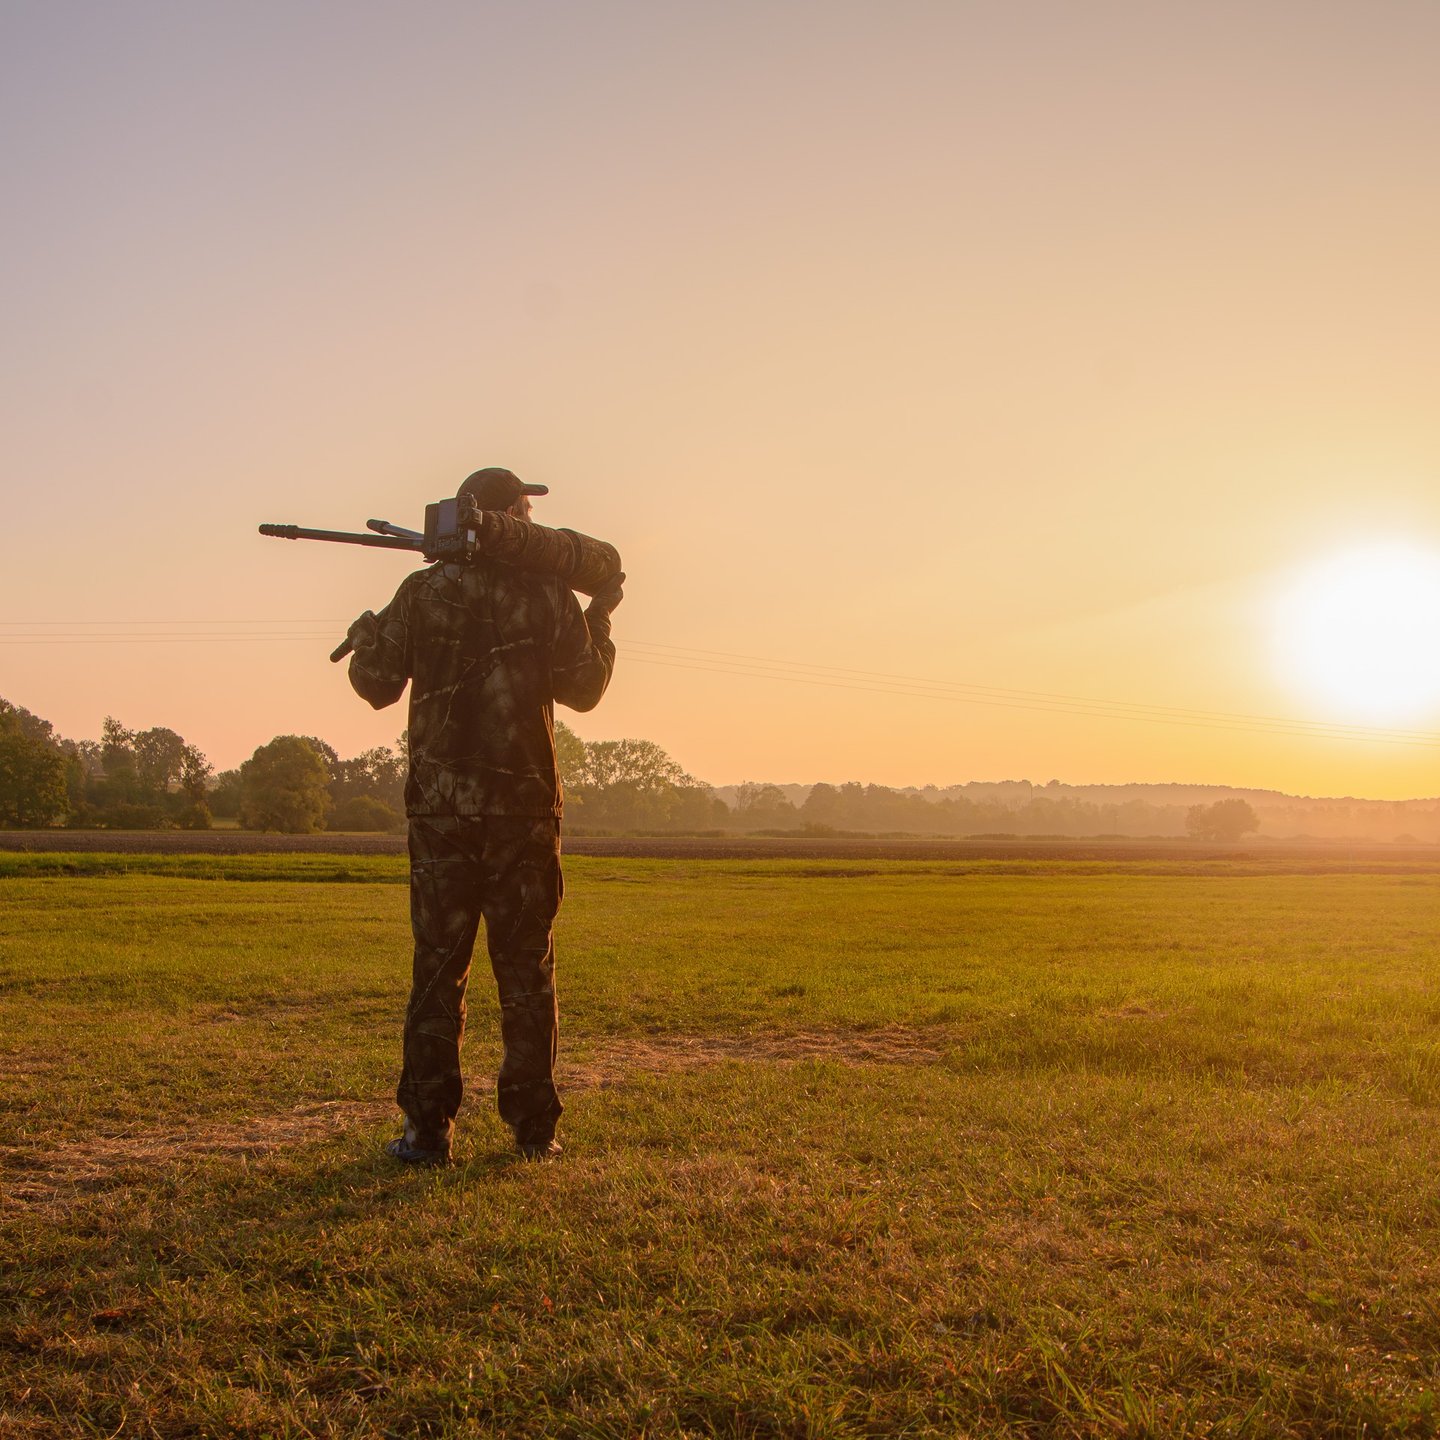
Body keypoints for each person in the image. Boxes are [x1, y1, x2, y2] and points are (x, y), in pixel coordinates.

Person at [344, 467, 622, 1164]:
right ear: (509, 518)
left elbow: (375, 686)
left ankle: (426, 1132)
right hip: (525, 813)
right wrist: (601, 620)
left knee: (438, 970)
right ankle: (536, 1133)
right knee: (527, 971)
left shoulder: (423, 591)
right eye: (526, 510)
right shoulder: (549, 594)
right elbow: (585, 690)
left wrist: (367, 635)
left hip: (440, 814)